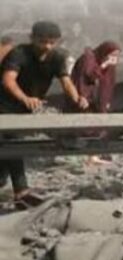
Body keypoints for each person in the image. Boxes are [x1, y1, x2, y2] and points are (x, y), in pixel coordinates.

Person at [0, 21, 89, 209]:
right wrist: (25, 98)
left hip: (25, 108)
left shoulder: (57, 57)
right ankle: (21, 193)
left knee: (6, 149)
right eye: (42, 41)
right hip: (5, 105)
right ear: (32, 39)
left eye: (51, 42)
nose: (47, 46)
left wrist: (77, 98)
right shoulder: (19, 53)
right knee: (11, 142)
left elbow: (66, 81)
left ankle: (6, 184)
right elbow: (8, 80)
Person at [68, 40, 122, 165]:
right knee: (86, 127)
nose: (113, 58)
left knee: (100, 126)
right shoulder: (88, 58)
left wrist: (106, 101)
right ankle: (88, 155)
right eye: (111, 54)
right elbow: (87, 77)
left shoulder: (109, 65)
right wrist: (82, 96)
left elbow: (108, 84)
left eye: (116, 56)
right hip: (83, 98)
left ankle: (95, 155)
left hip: (96, 99)